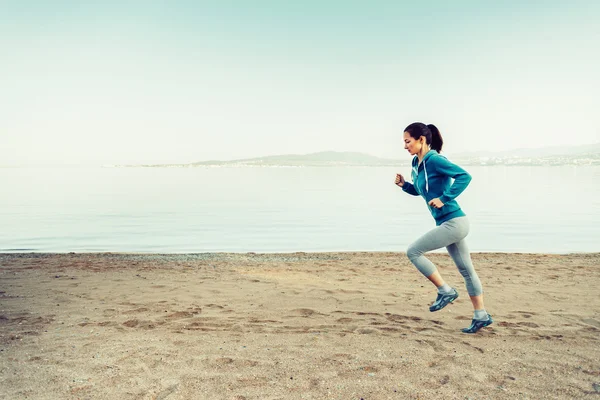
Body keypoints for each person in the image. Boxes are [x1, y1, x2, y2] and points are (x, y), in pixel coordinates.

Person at [394, 122, 493, 334]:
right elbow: (423, 191)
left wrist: (444, 198)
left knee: (413, 251)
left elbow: (464, 176)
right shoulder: (416, 163)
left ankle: (445, 290)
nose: (405, 146)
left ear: (421, 139)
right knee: (467, 271)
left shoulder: (435, 160)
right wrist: (405, 186)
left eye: (407, 141)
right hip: (447, 223)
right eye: (404, 142)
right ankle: (481, 315)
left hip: (454, 222)